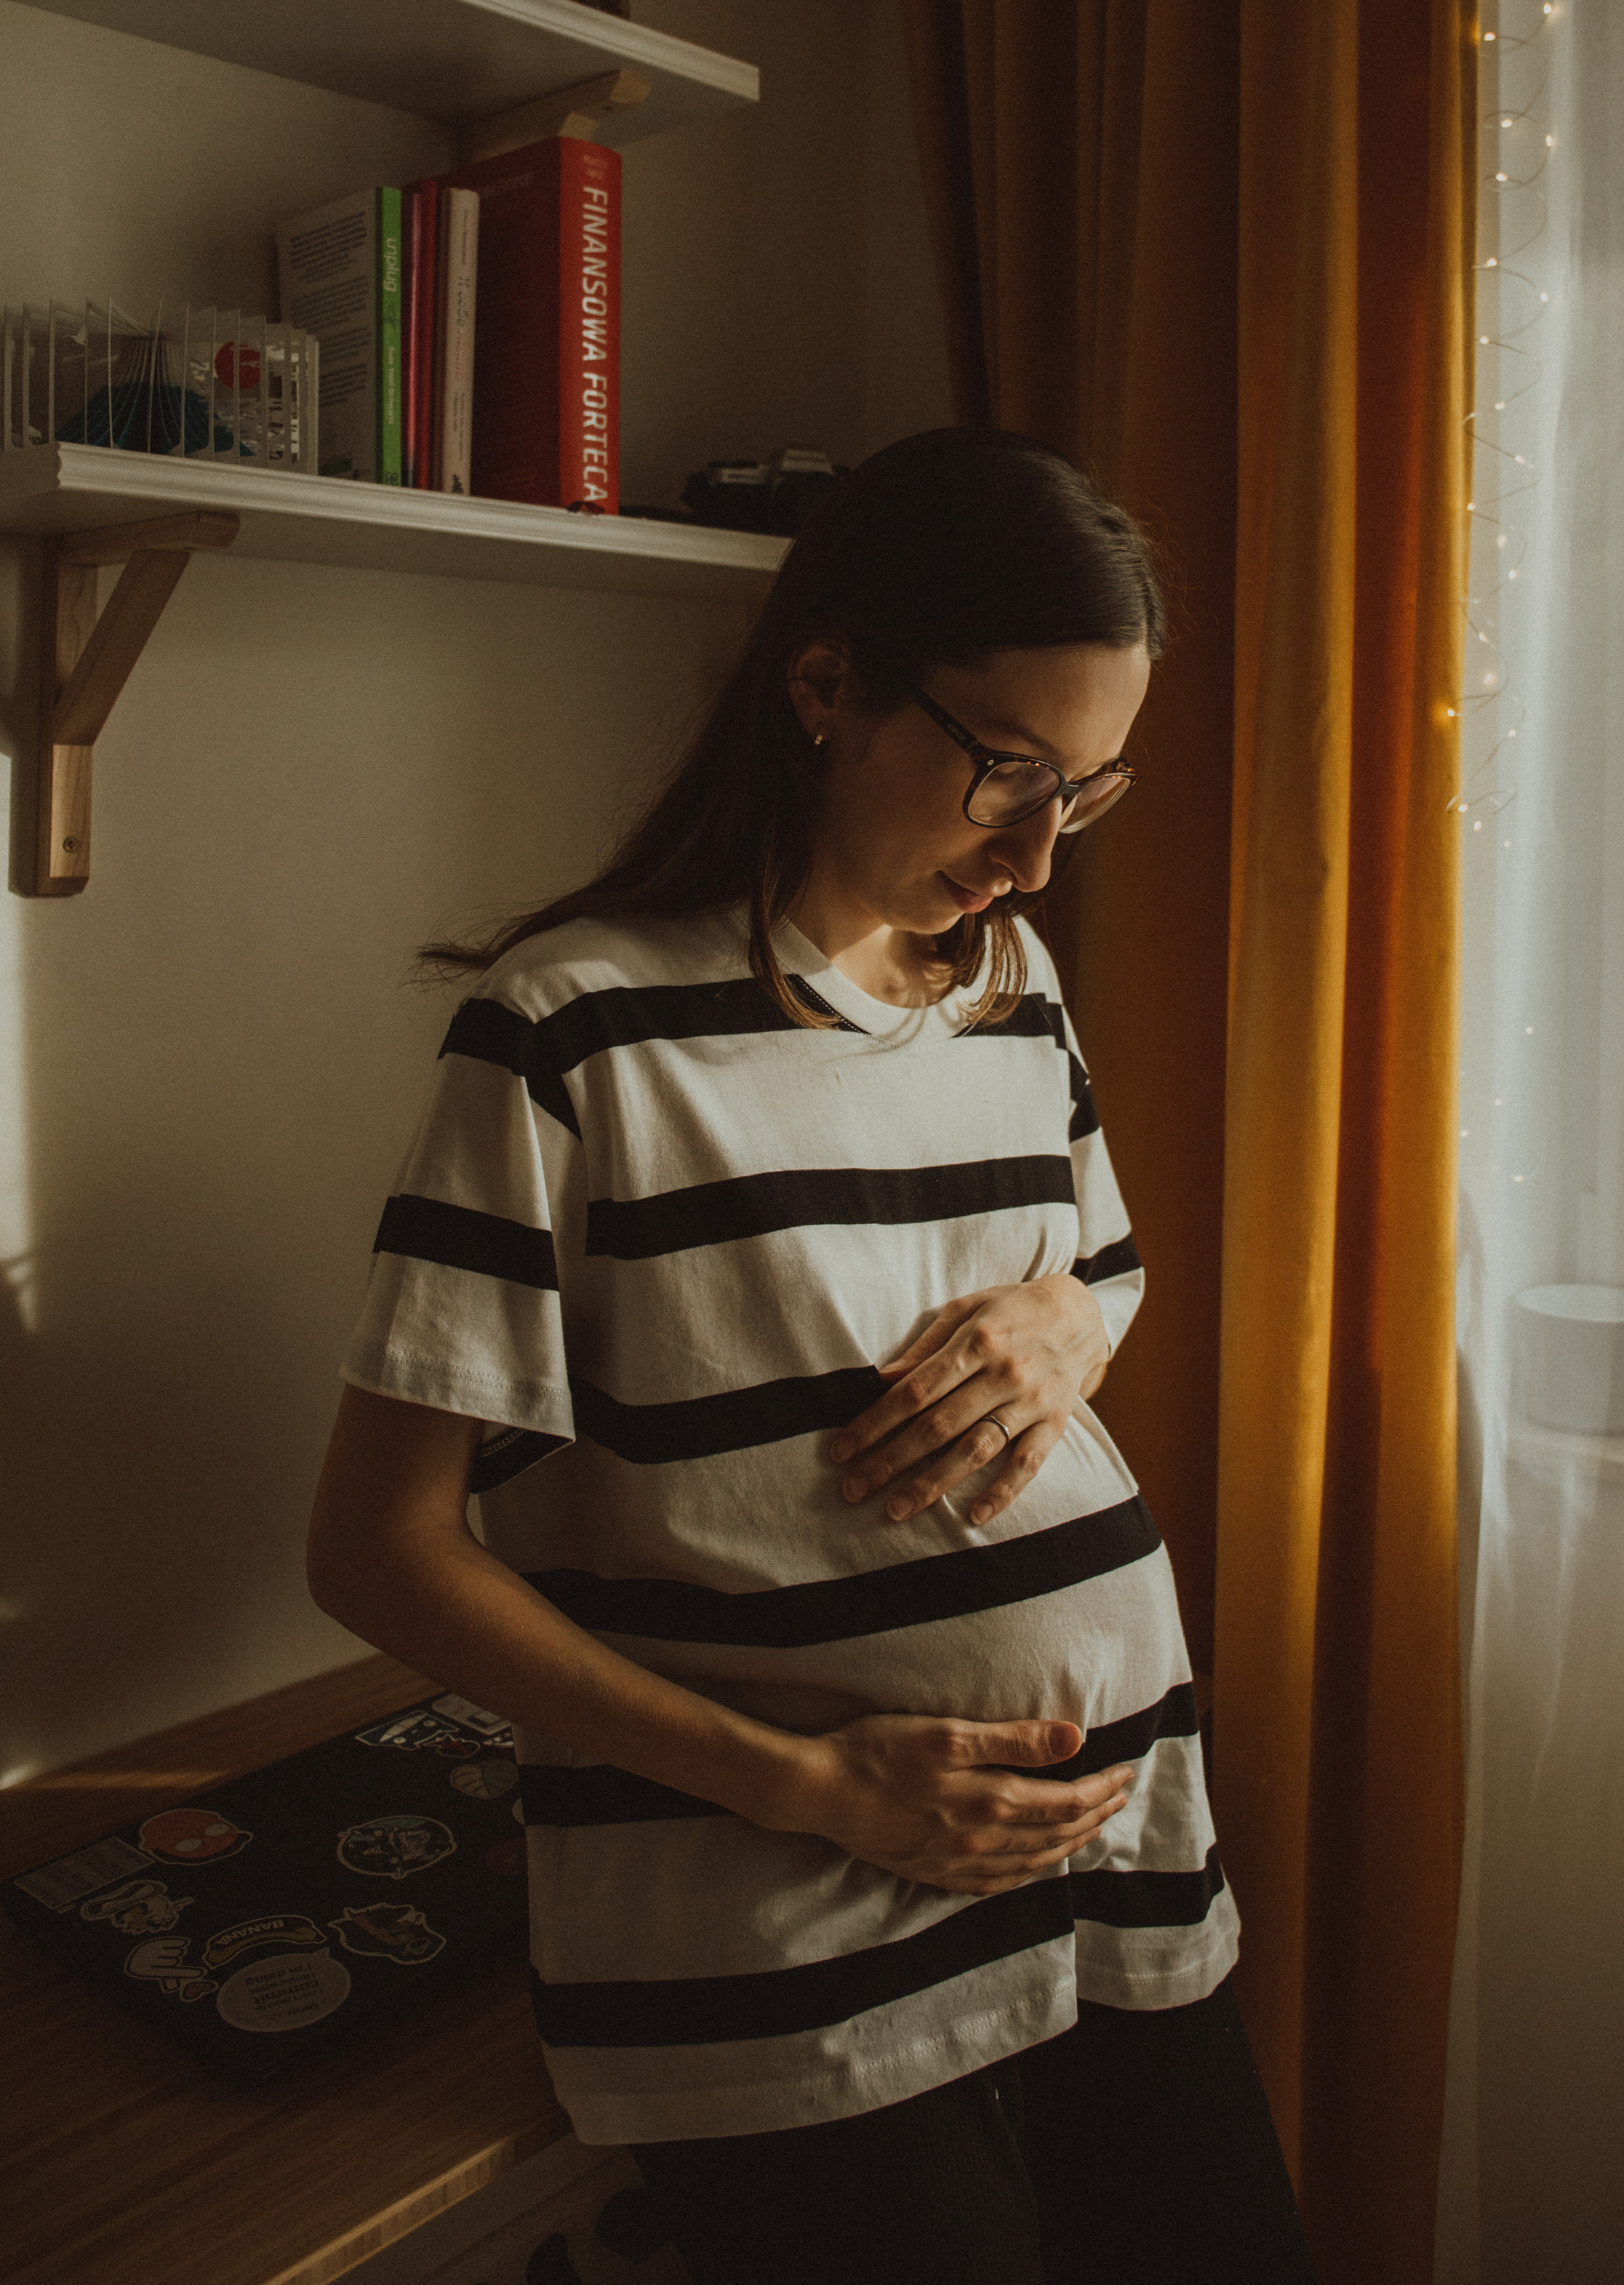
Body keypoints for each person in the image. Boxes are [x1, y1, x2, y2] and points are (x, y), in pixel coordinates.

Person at [308, 427, 1314, 2285]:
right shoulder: (574, 1037)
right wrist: (818, 1788)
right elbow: (379, 1548)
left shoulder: (1014, 999)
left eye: (1083, 797)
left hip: (1113, 1854)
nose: (1029, 859)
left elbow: (1106, 1270)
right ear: (828, 683)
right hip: (787, 1925)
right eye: (1004, 771)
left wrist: (1073, 1319)